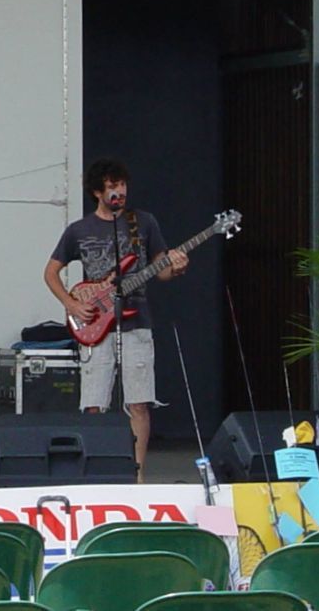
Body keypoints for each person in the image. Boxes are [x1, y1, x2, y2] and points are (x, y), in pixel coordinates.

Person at [43, 158, 188, 477]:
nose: (118, 192)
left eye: (121, 185)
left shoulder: (144, 222)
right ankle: (97, 470)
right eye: (110, 187)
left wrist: (176, 266)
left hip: (137, 324)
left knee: (139, 401)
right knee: (94, 404)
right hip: (96, 322)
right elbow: (51, 272)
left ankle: (136, 475)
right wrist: (71, 304)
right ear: (97, 192)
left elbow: (161, 271)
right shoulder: (78, 230)